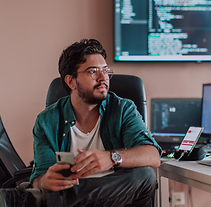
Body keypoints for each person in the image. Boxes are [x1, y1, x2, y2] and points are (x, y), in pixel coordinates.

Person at [30, 39, 161, 206]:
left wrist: (112, 158)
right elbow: (39, 177)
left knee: (145, 176)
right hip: (69, 189)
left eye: (105, 71)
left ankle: (58, 201)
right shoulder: (47, 120)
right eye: (93, 71)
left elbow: (153, 155)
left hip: (118, 198)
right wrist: (46, 181)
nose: (103, 78)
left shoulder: (123, 109)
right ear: (71, 81)